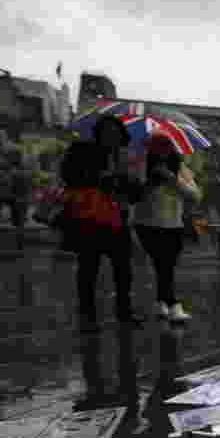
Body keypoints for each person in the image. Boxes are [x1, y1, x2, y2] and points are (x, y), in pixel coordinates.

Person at [61, 121, 144, 334]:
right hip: (90, 219)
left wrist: (127, 181)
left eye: (116, 134)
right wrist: (99, 178)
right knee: (88, 269)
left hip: (117, 220)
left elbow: (135, 193)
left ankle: (124, 313)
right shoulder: (82, 150)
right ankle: (88, 317)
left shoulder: (125, 157)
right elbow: (68, 176)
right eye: (107, 133)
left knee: (124, 271)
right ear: (99, 134)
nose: (112, 138)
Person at [133, 134, 201, 322]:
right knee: (164, 265)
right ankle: (173, 304)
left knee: (164, 266)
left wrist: (173, 180)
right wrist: (150, 183)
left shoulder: (180, 169)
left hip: (173, 224)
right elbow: (133, 195)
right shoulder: (141, 167)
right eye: (157, 149)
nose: (161, 154)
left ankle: (161, 302)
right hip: (146, 224)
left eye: (165, 149)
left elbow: (195, 195)